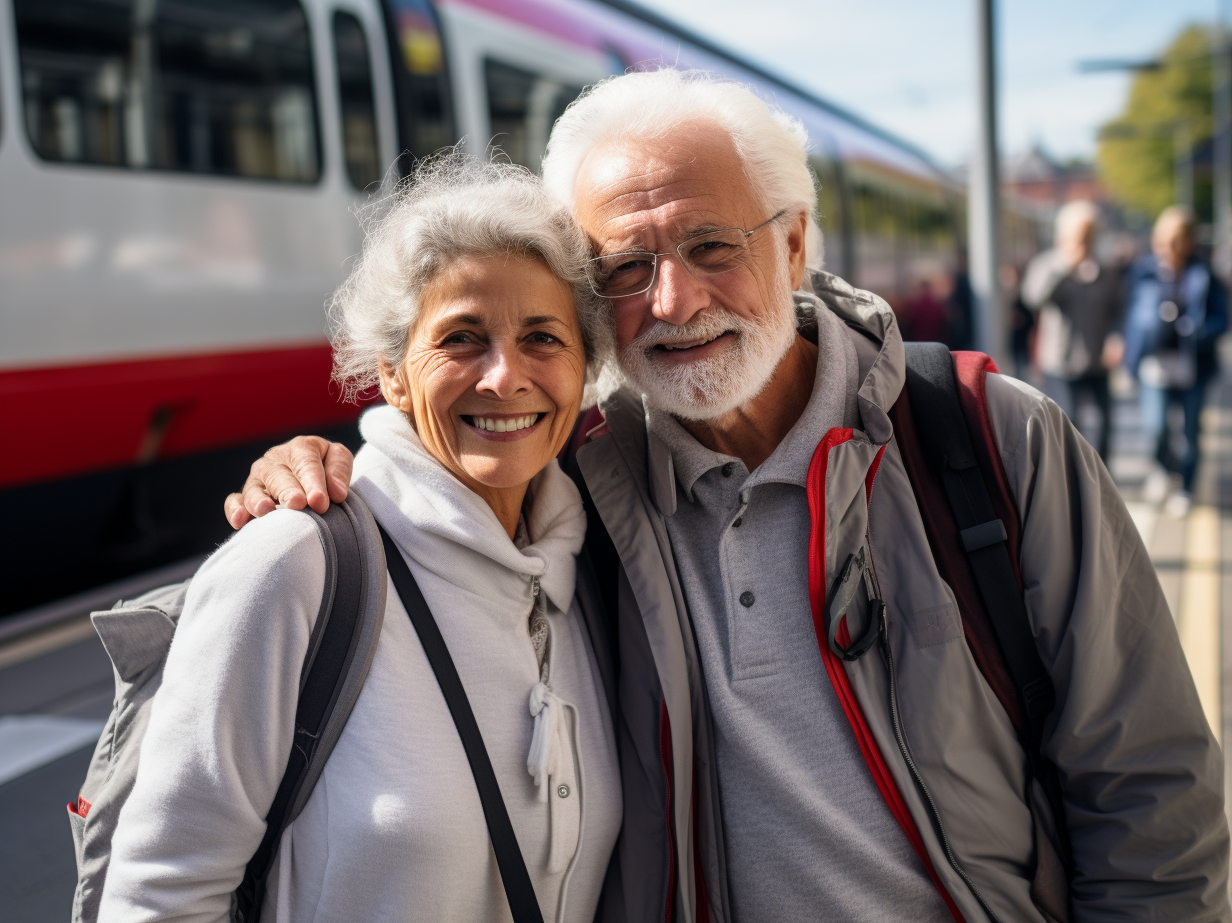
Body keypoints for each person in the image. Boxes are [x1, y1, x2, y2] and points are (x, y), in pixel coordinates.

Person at [227, 71, 1229, 922]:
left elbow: (1148, 791)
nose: (674, 301)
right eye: (625, 268)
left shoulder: (990, 436)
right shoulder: (574, 481)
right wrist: (324, 468)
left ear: (793, 247)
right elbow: (436, 472)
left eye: (711, 246)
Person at [100, 158, 623, 922]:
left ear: (585, 370)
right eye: (462, 338)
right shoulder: (297, 566)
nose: (505, 376)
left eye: (543, 337)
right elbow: (160, 895)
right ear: (392, 374)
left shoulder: (597, 569)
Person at [1124, 205, 1228, 516]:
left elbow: (1222, 319)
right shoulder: (1143, 271)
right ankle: (1165, 469)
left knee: (1190, 432)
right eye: (1163, 238)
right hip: (1154, 365)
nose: (1168, 245)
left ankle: (1186, 485)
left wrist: (1197, 331)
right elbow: (1129, 315)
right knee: (1155, 428)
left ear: (1189, 240)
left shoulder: (1204, 274)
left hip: (1192, 365)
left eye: (1176, 238)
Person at [1021, 201, 1124, 461]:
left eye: (1090, 236)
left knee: (1105, 423)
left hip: (1097, 360)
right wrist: (1065, 267)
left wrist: (1116, 340)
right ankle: (1072, 480)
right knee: (1069, 424)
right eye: (1079, 236)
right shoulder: (1048, 264)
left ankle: (1101, 476)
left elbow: (1117, 310)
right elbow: (1033, 299)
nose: (1085, 242)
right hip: (1061, 361)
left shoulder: (1106, 269)